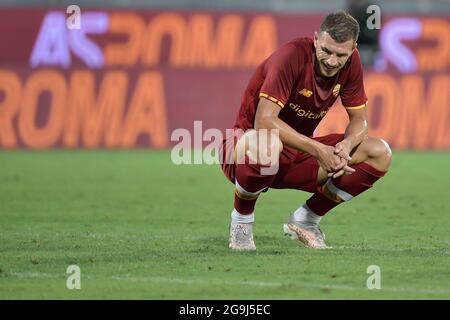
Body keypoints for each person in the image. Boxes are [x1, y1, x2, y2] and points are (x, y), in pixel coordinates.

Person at [220, 11, 392, 250]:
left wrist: (347, 145)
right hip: (245, 151)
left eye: (340, 55)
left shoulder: (352, 63)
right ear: (315, 39)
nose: (332, 61)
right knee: (269, 144)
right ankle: (241, 223)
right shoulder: (290, 57)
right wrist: (319, 150)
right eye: (326, 51)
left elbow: (360, 121)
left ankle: (307, 219)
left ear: (353, 49)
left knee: (379, 152)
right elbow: (264, 122)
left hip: (296, 153)